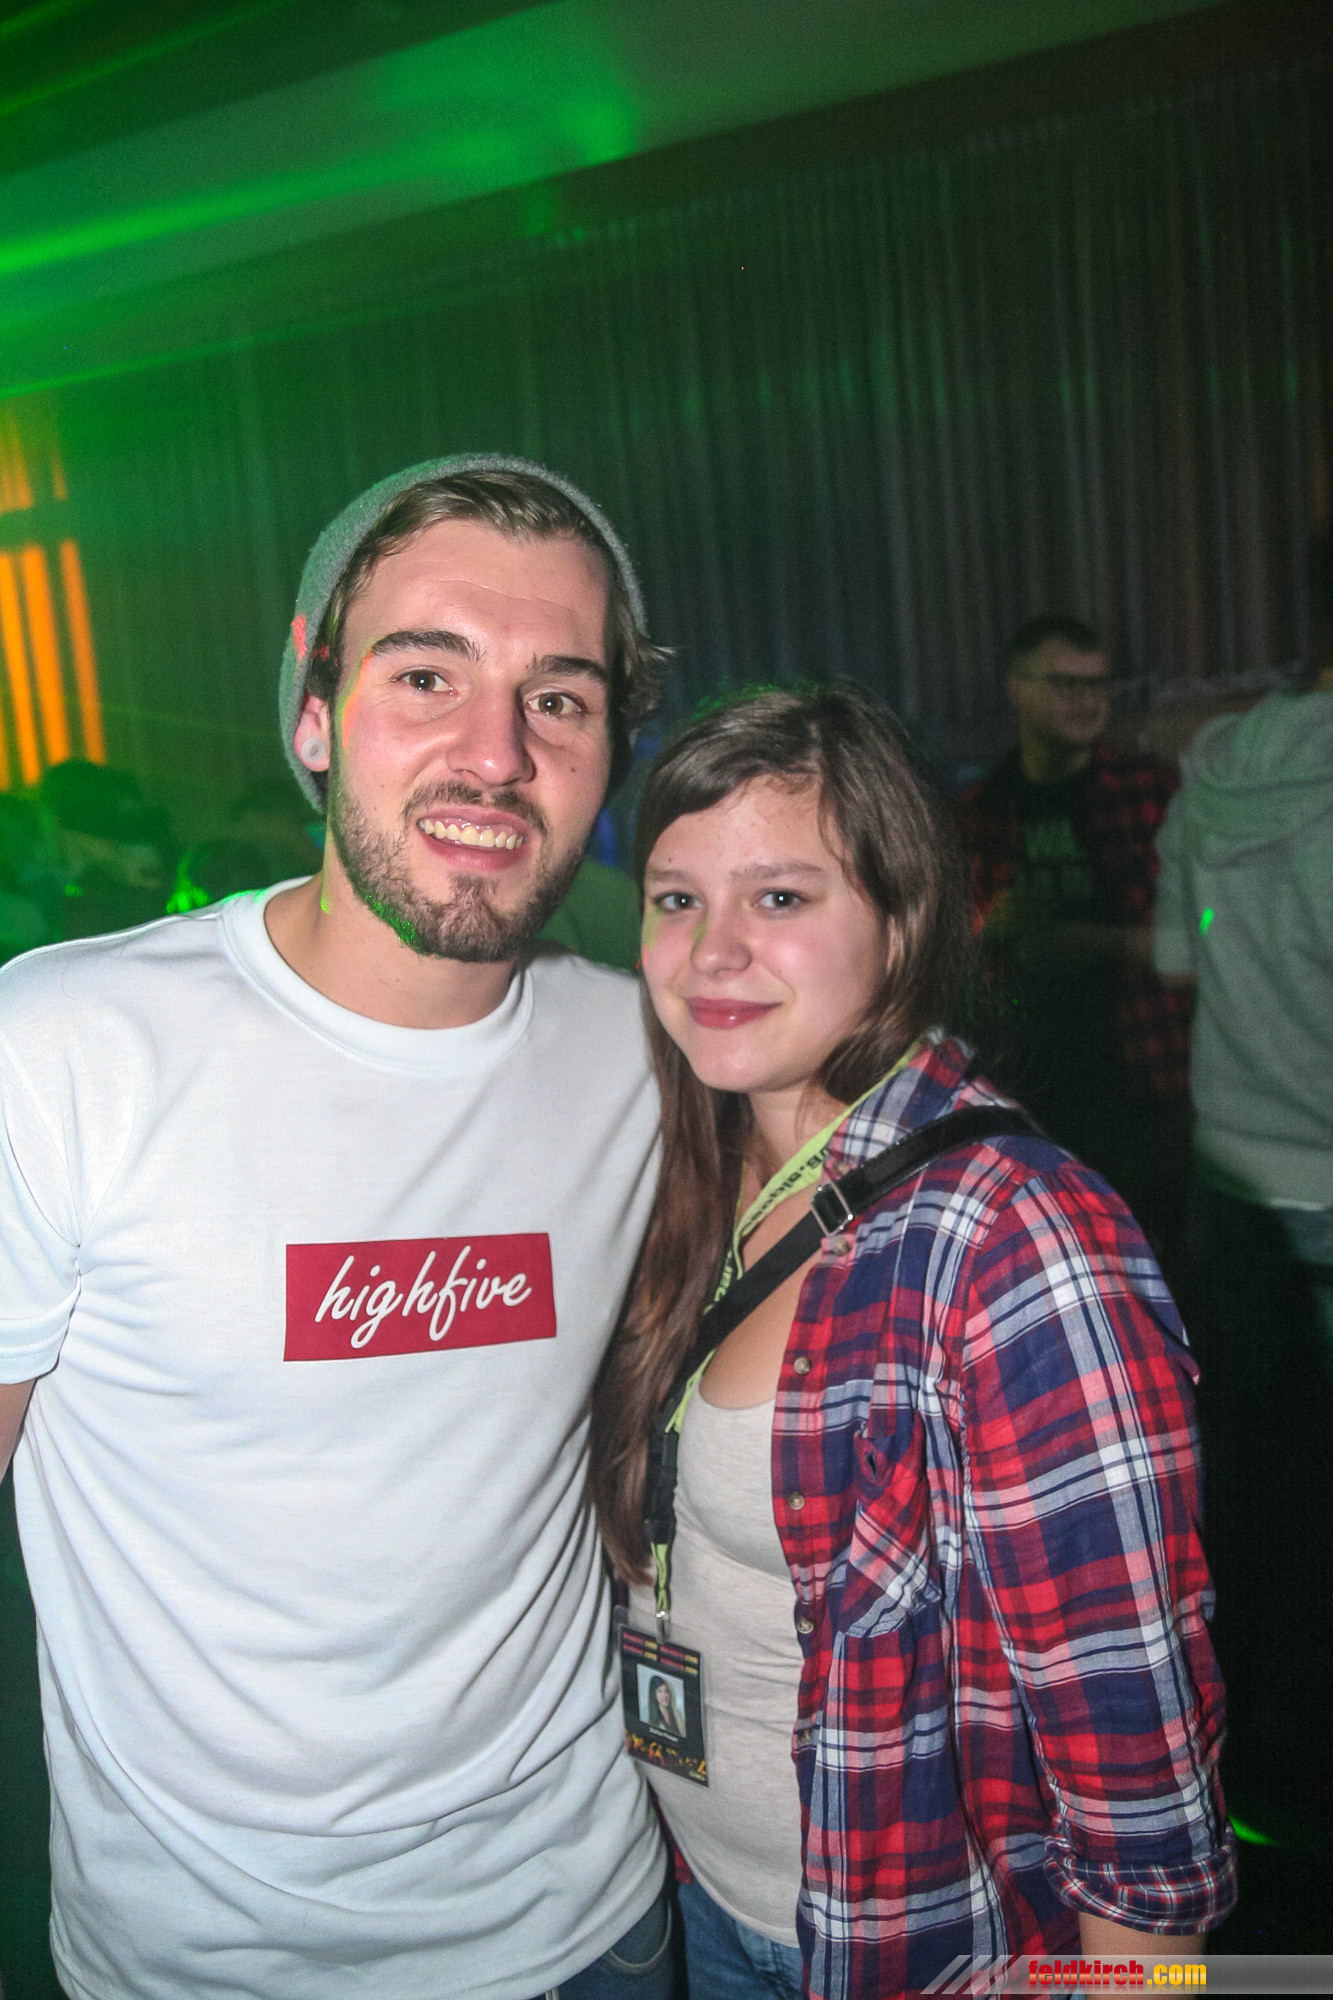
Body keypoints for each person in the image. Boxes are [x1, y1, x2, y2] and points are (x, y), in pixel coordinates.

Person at [0, 455, 680, 2000]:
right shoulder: (64, 1052)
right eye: (426, 675)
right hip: (210, 1961)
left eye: (558, 699)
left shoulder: (645, 1054)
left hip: (587, 1925)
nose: (495, 755)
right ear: (313, 709)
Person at [592, 683, 1235, 1999]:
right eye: (675, 898)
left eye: (779, 896)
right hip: (683, 1891)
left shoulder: (1014, 1240)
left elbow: (1135, 1773)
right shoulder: (681, 1167)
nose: (710, 953)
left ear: (901, 919)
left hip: (896, 1946)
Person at [1152, 658, 1333, 1831]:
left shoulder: (1212, 770)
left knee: (1254, 1482)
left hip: (1231, 1173)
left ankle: (1253, 1755)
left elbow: (1180, 957)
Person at [954, 617, 1192, 1274]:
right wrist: (990, 926)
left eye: (1097, 684)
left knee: (1163, 1267)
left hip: (1142, 1076)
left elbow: (1209, 927)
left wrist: (1104, 945)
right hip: (1027, 1084)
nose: (1087, 701)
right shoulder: (976, 811)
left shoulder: (1152, 793)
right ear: (1017, 690)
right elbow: (935, 955)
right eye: (1064, 684)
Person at [646, 1676, 686, 1740]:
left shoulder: (678, 1714)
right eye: (659, 1691)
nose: (664, 1695)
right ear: (653, 1694)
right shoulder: (652, 1720)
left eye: (666, 1691)